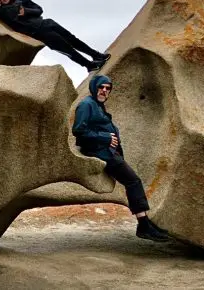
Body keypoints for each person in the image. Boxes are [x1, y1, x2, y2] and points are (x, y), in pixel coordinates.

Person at [72, 75, 170, 242]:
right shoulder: (86, 105)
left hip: (108, 152)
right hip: (100, 152)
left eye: (108, 88)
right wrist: (105, 138)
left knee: (133, 181)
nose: (104, 90)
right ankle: (143, 226)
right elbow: (78, 131)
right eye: (101, 87)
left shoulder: (98, 106)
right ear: (94, 87)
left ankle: (146, 223)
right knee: (133, 181)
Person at [0, 0, 110, 71]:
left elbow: (39, 10)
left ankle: (96, 55)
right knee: (67, 49)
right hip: (39, 33)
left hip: (47, 23)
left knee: (73, 39)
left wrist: (26, 11)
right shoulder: (1, 11)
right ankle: (88, 65)